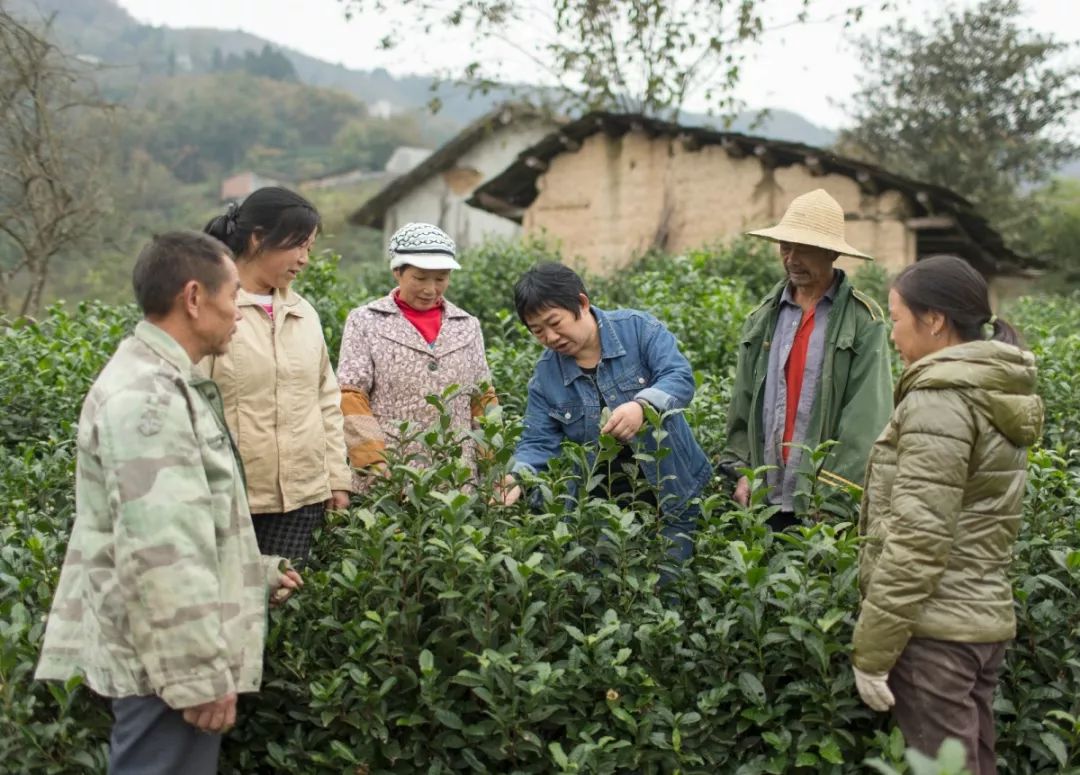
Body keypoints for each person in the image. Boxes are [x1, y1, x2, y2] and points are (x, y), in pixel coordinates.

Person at [35, 231, 303, 775]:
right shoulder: (148, 399)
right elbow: (163, 552)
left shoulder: (164, 383)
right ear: (194, 298)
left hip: (161, 653)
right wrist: (196, 676)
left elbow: (181, 524)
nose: (238, 313)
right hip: (163, 664)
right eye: (232, 297)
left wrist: (252, 572)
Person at [851, 255, 1043, 775]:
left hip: (936, 632)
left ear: (933, 320)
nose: (891, 334)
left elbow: (918, 537)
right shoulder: (990, 386)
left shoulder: (941, 401)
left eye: (895, 318)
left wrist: (871, 653)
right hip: (980, 621)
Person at [497, 263, 711, 565]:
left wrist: (643, 406)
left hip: (672, 493)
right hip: (603, 512)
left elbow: (679, 377)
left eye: (554, 322)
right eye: (538, 331)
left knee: (670, 587)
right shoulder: (546, 376)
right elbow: (538, 443)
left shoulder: (639, 329)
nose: (550, 336)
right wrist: (516, 475)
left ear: (582, 304)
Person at [720, 188, 893, 529]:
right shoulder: (762, 319)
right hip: (764, 497)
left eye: (805, 249)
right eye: (786, 247)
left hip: (822, 506)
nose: (791, 259)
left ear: (831, 252)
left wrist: (832, 499)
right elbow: (742, 406)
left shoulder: (863, 322)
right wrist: (741, 473)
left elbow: (866, 420)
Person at [203, 187, 351, 566]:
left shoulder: (304, 314)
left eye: (310, 248)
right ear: (257, 238)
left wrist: (335, 477)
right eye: (297, 246)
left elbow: (326, 400)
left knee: (281, 607)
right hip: (230, 496)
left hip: (300, 498)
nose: (304, 259)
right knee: (227, 608)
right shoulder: (212, 309)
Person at [337, 222, 496, 483]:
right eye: (420, 278)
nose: (430, 289)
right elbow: (351, 395)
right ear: (397, 272)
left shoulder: (467, 325)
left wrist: (494, 469)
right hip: (392, 473)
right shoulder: (365, 321)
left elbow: (483, 400)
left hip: (456, 474)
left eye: (441, 278)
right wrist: (375, 461)